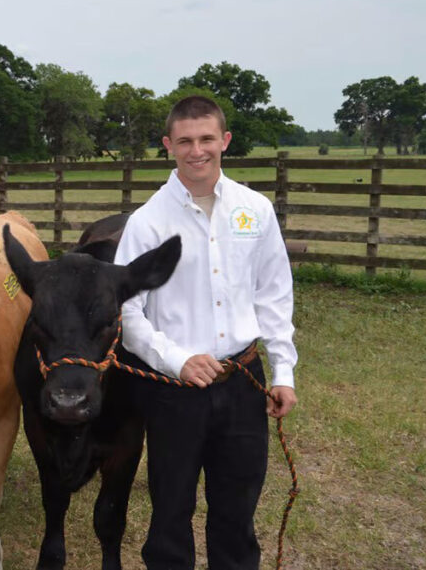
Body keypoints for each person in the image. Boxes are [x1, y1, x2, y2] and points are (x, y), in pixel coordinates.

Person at [114, 95, 298, 570]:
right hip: (177, 391)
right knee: (171, 510)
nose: (197, 151)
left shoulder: (254, 210)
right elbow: (127, 314)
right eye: (186, 141)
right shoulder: (147, 223)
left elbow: (273, 295)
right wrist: (177, 359)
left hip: (242, 380)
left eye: (207, 139)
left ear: (225, 141)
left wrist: (284, 372)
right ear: (168, 146)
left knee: (237, 510)